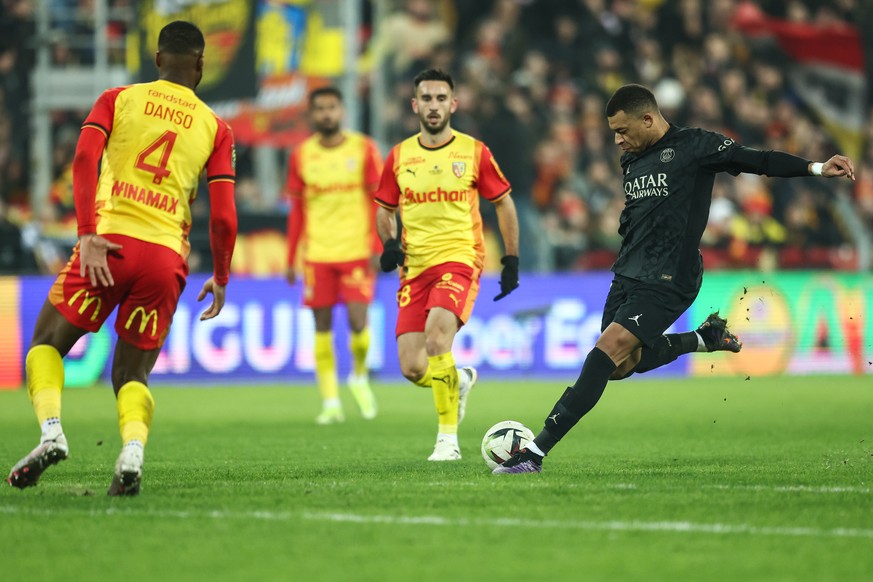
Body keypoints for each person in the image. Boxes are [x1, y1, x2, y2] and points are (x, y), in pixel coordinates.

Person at [495, 83, 855, 474]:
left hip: (671, 276)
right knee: (621, 365)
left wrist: (816, 167)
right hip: (628, 272)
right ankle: (703, 339)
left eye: (622, 130)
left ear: (648, 119)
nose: (617, 140)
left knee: (606, 350)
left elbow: (759, 159)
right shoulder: (631, 160)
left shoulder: (696, 146)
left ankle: (534, 453)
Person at [6, 21, 238, 495]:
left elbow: (83, 159)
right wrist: (220, 275)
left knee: (46, 344)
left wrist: (87, 233)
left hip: (108, 245)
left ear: (156, 59)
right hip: (164, 256)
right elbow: (224, 217)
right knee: (132, 373)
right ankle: (132, 451)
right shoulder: (217, 127)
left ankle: (51, 431)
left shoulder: (117, 98)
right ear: (200, 64)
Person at [375, 68, 520, 461]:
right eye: (427, 99)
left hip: (459, 258)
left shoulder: (474, 152)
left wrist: (511, 258)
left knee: (439, 340)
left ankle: (447, 442)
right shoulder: (400, 155)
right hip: (415, 267)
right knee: (411, 366)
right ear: (415, 105)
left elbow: (503, 202)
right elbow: (384, 209)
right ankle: (460, 380)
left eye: (441, 98)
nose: (434, 106)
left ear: (453, 104)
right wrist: (388, 243)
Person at [285, 87, 381, 424]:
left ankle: (358, 375)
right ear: (312, 114)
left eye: (332, 107)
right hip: (318, 254)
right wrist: (290, 256)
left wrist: (378, 246)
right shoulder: (301, 155)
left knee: (358, 322)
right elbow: (297, 209)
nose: (327, 114)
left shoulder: (364, 149)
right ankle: (330, 403)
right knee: (321, 327)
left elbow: (378, 201)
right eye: (320, 108)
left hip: (356, 250)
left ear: (342, 111)